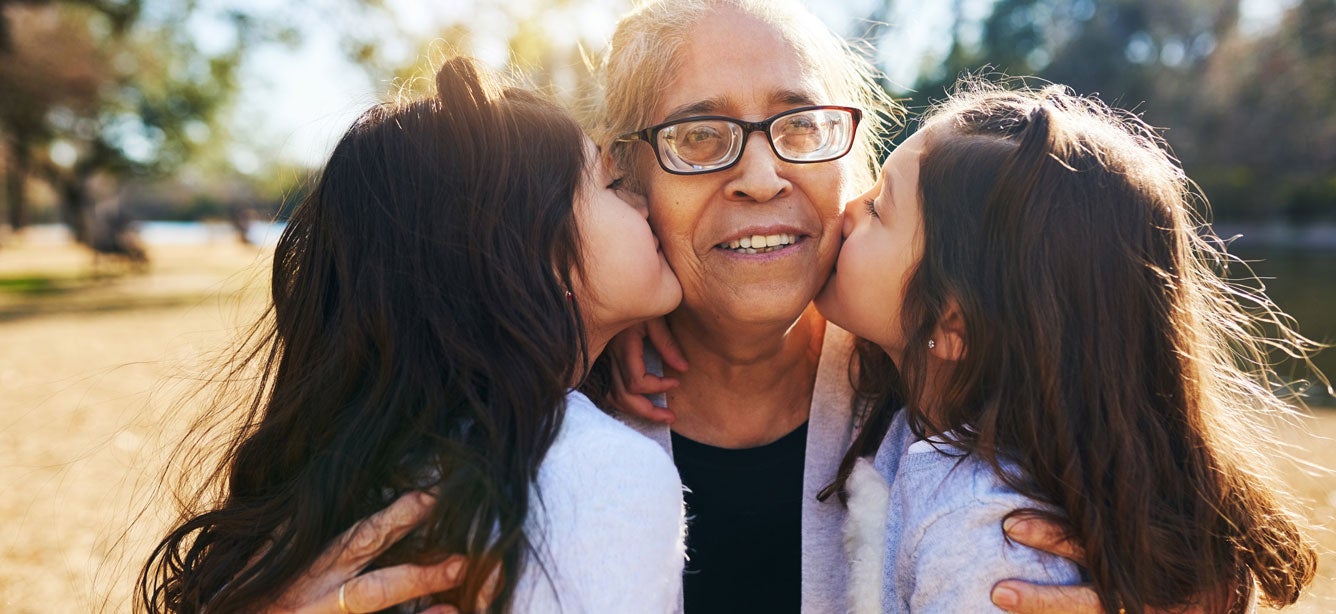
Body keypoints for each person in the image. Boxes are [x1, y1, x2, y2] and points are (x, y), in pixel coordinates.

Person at [136, 56, 686, 613]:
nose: (644, 203)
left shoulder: (352, 468)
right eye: (614, 184)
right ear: (528, 256)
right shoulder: (602, 477)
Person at [817, 82, 1319, 613]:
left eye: (878, 208)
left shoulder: (988, 539)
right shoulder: (931, 429)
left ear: (953, 323)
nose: (848, 209)